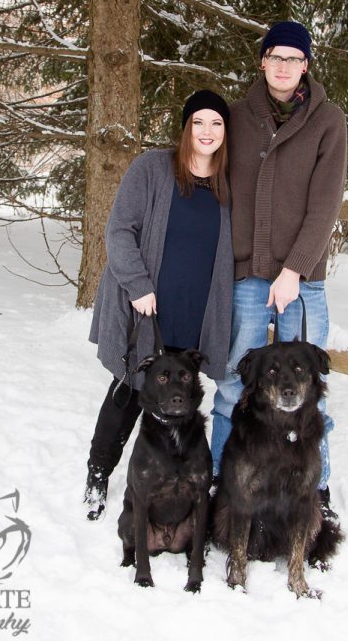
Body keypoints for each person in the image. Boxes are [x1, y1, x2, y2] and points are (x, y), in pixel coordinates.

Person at [210, 21, 347, 516]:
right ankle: (221, 484)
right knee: (234, 382)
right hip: (247, 275)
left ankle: (319, 491)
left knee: (309, 389)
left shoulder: (328, 120)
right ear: (262, 61)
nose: (285, 66)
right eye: (276, 57)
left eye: (295, 58)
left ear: (306, 65)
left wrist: (295, 269)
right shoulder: (236, 116)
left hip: (303, 280)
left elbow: (325, 204)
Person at [84, 89, 233, 521]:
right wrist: (137, 285)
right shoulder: (151, 169)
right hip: (147, 309)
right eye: (199, 122)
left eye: (217, 124)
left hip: (194, 314)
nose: (207, 132)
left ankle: (173, 482)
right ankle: (98, 474)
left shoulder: (227, 185)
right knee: (129, 393)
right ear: (186, 127)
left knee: (181, 400)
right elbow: (118, 231)